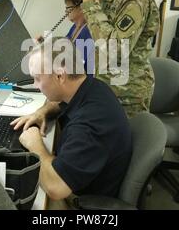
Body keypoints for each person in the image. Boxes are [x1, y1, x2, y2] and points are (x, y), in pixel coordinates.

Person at [25, 0, 160, 118]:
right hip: (103, 85)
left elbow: (116, 49)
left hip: (127, 94)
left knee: (120, 145)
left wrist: (90, 6)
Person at [12, 37, 132, 201]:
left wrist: (34, 144)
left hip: (86, 201)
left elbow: (56, 188)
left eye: (38, 78)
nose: (35, 85)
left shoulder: (88, 124)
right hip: (89, 177)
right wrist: (42, 112)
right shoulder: (92, 87)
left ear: (60, 76)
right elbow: (60, 103)